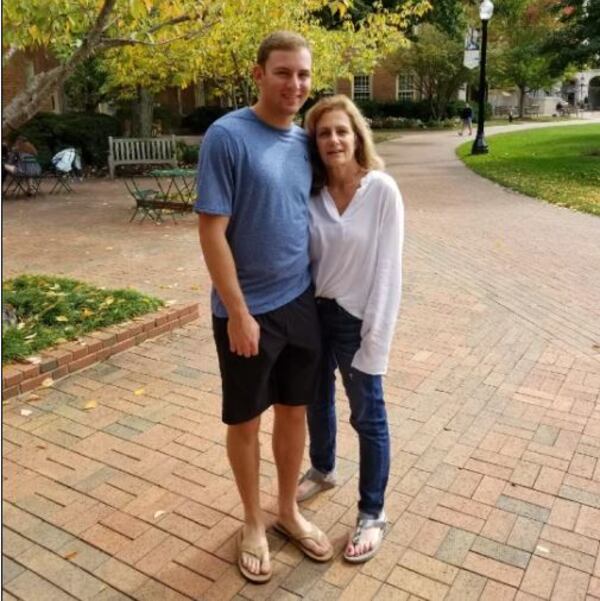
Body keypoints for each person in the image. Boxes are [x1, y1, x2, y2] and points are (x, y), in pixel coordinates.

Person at [195, 31, 333, 584]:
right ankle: (253, 522)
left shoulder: (303, 141)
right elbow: (211, 233)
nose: (294, 84)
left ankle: (287, 510)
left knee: (295, 411)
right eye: (283, 72)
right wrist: (239, 313)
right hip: (247, 311)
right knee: (246, 420)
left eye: (302, 74)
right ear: (259, 74)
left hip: (300, 301)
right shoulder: (227, 137)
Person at [297, 95, 404, 563]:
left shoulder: (381, 190)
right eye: (324, 133)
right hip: (312, 314)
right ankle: (322, 468)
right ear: (314, 143)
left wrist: (374, 340)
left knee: (369, 416)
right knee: (316, 401)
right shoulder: (311, 194)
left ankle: (372, 513)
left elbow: (388, 272)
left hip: (357, 320)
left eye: (342, 131)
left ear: (357, 135)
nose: (334, 140)